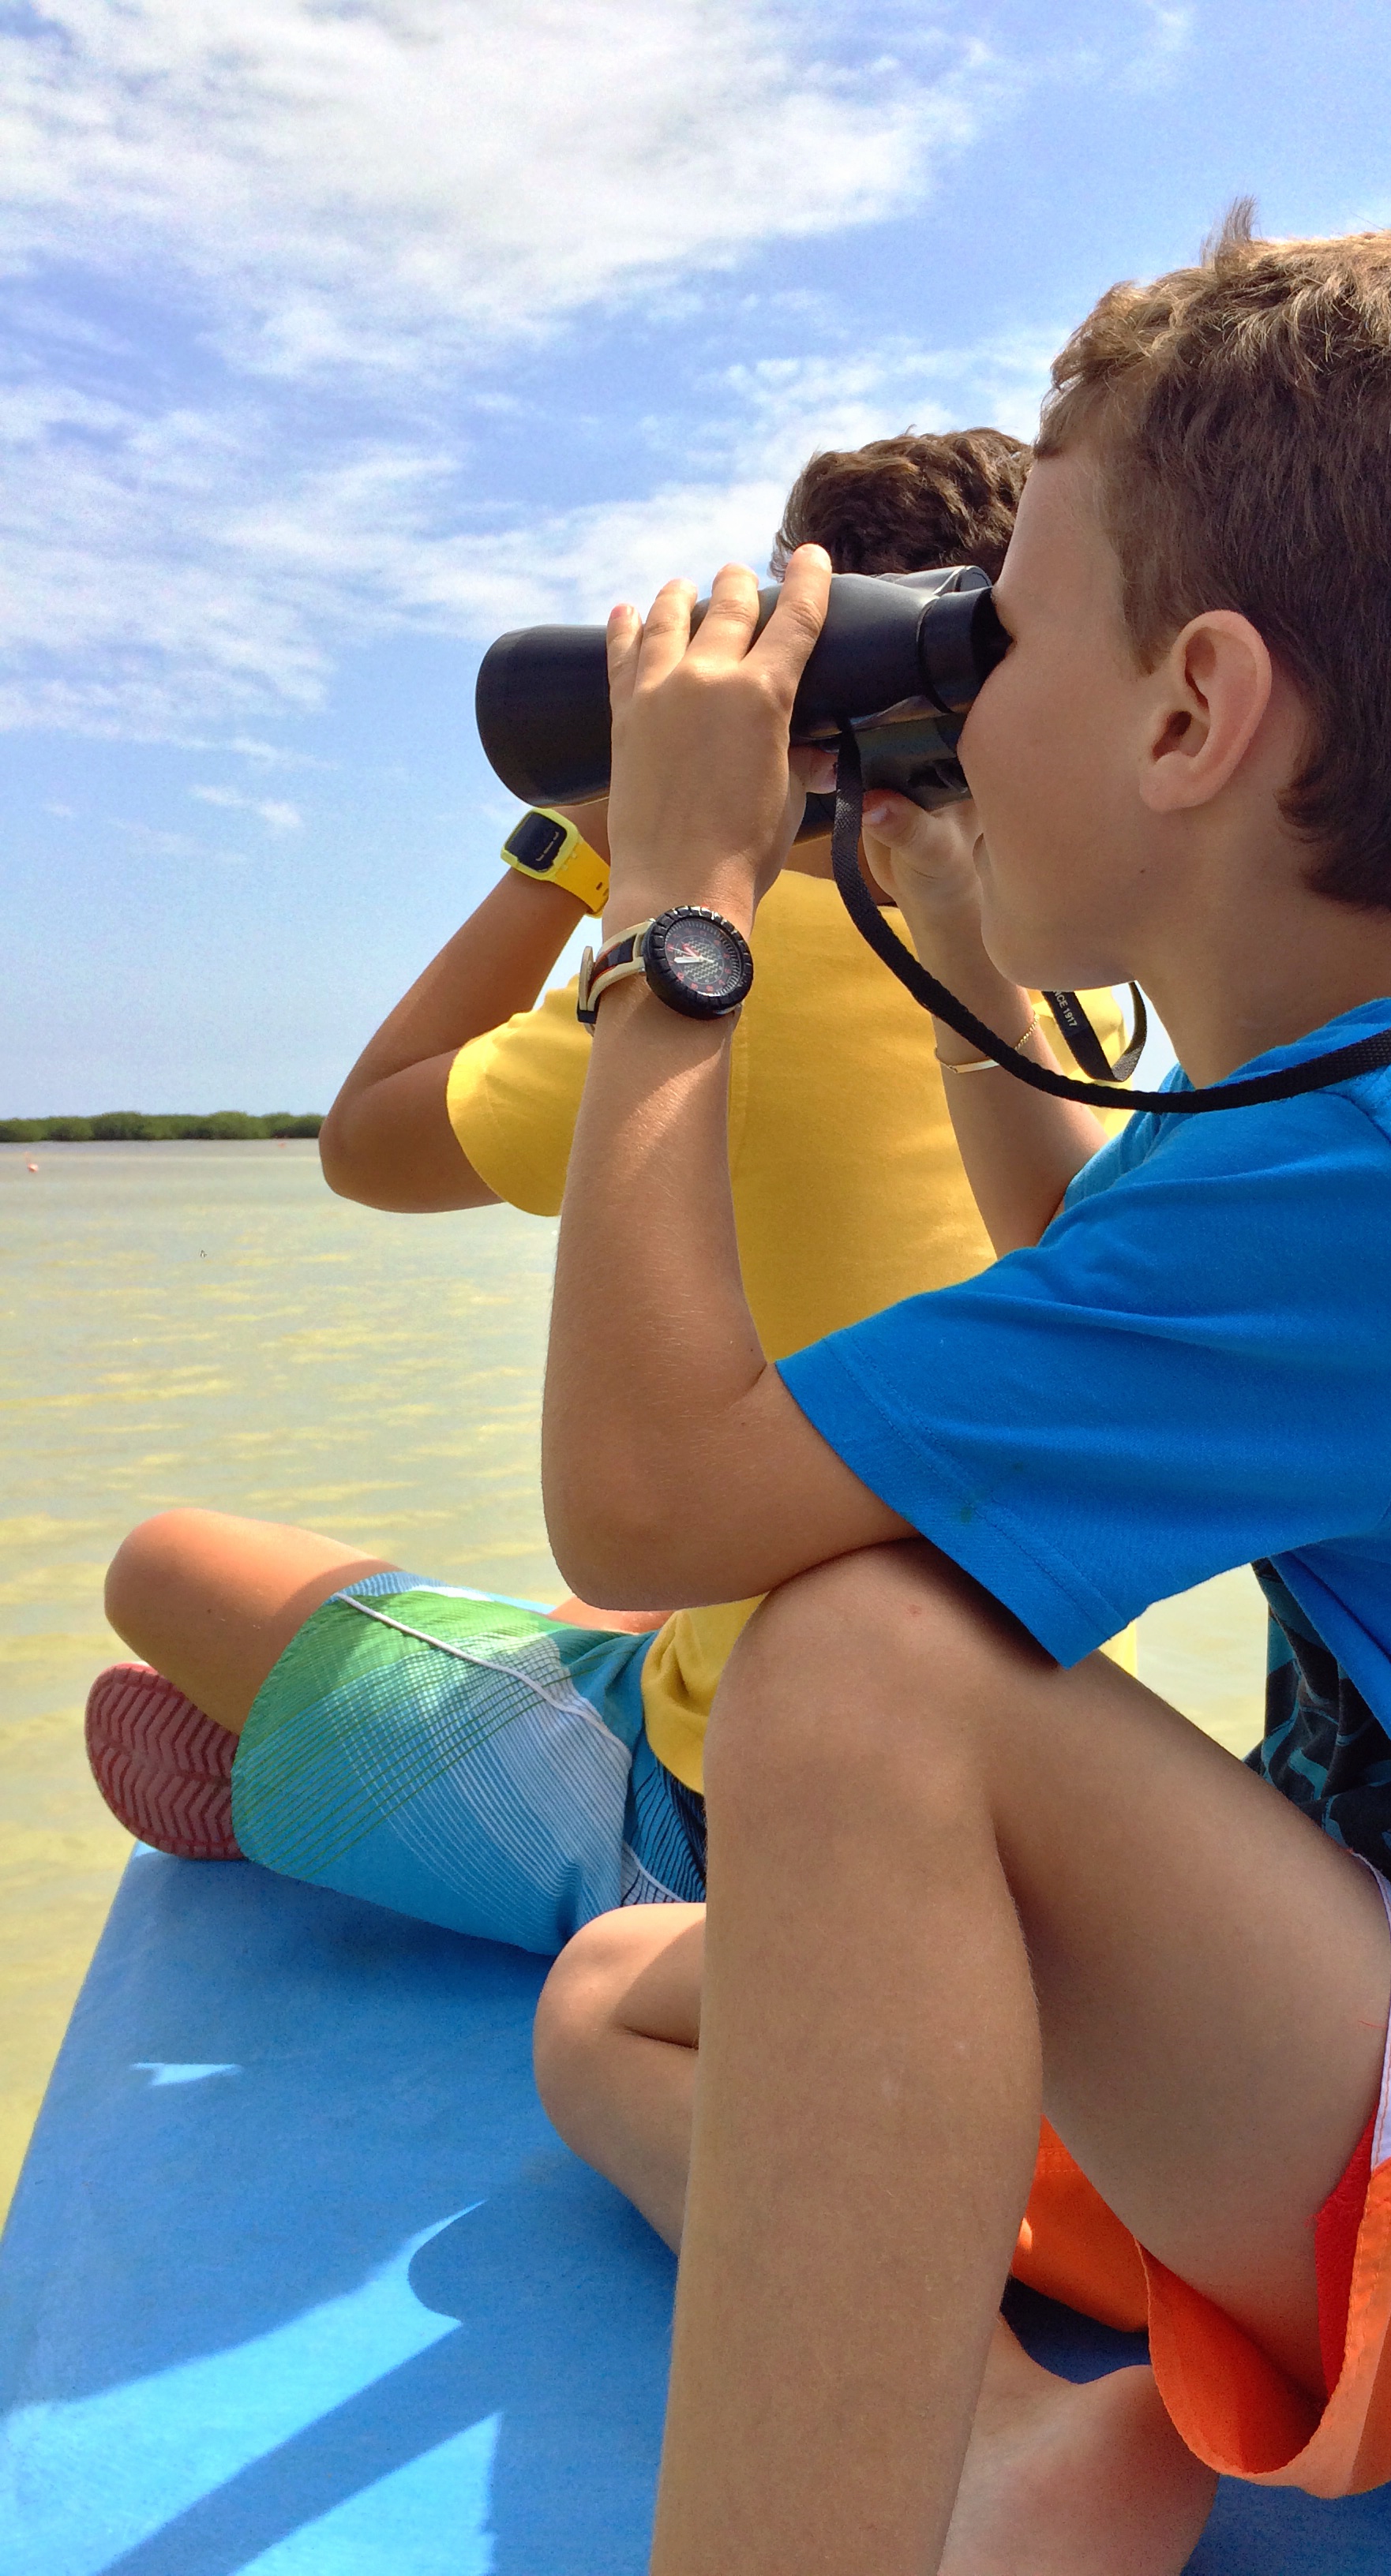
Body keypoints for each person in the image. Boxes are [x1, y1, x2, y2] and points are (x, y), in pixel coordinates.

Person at [525, 215, 1391, 2575]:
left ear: (1190, 717)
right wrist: (968, 948)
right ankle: (986, 2443)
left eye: (1004, 629)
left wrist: (676, 917)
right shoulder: (1370, 1092)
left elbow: (640, 1504)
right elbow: (1083, 1286)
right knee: (615, 2004)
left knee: (859, 1664)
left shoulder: (1382, 1199)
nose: (958, 686)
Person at [88, 428, 1129, 1956]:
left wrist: (590, 844)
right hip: (1019, 1754)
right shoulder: (1069, 976)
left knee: (166, 1567)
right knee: (624, 1607)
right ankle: (403, 1758)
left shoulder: (719, 961)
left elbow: (367, 1143)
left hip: (738, 1814)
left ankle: (364, 1808)